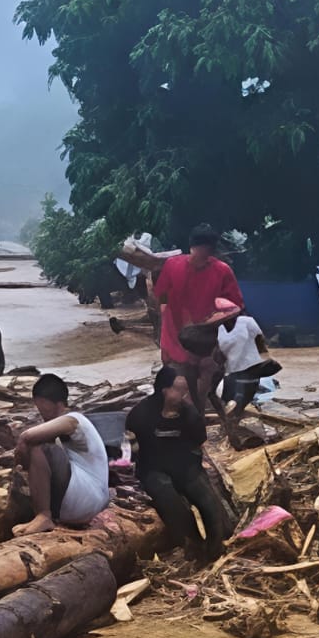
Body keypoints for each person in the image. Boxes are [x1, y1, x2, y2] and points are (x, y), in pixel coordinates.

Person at [128, 366, 229, 560]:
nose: (183, 395)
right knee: (169, 498)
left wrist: (195, 465)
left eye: (185, 391)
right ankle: (192, 544)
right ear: (164, 389)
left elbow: (199, 442)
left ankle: (218, 545)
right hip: (153, 468)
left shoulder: (189, 414)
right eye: (178, 390)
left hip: (186, 466)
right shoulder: (140, 414)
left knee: (208, 502)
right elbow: (132, 448)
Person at [7, 373, 112, 536]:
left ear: (56, 404)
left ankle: (43, 515)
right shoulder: (66, 426)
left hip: (88, 500)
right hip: (86, 501)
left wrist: (20, 451)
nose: (41, 413)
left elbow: (27, 437)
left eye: (43, 407)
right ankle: (43, 514)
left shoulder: (74, 419)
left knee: (40, 447)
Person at [155, 224, 243, 409]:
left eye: (205, 254)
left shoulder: (222, 271)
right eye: (197, 252)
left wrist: (216, 321)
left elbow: (235, 305)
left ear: (211, 251)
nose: (200, 258)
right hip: (175, 336)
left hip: (207, 339)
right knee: (177, 383)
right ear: (191, 247)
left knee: (204, 379)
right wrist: (164, 309)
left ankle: (197, 414)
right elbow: (161, 293)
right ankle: (182, 414)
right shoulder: (172, 265)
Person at [214, 298, 274, 426]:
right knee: (230, 397)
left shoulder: (247, 322)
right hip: (230, 368)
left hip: (249, 366)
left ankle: (237, 419)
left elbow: (260, 341)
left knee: (242, 396)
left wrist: (265, 360)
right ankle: (233, 421)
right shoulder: (217, 328)